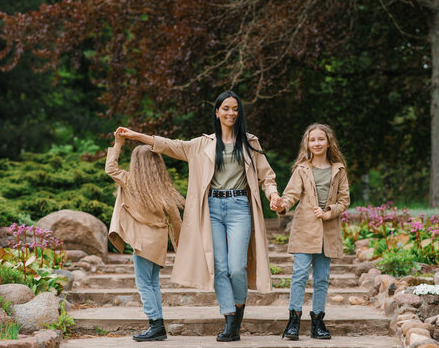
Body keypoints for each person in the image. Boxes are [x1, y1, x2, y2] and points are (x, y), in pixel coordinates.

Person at [115, 90, 282, 342]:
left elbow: (266, 175)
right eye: (225, 108)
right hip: (212, 209)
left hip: (238, 206)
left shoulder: (250, 142)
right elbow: (169, 145)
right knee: (220, 267)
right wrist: (137, 136)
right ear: (217, 112)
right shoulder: (201, 145)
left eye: (235, 109)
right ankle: (229, 321)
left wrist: (273, 194)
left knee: (237, 267)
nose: (231, 113)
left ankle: (237, 312)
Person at [272, 123, 350, 340]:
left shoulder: (339, 169)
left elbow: (345, 200)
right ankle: (293, 321)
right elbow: (291, 195)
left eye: (321, 139)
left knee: (322, 278)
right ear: (307, 143)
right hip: (305, 229)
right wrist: (281, 205)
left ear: (328, 142)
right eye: (312, 139)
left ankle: (318, 322)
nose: (317, 143)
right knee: (299, 275)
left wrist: (329, 212)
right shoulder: (302, 169)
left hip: (328, 231)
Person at [105, 130, 184, 342]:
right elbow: (176, 219)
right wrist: (180, 243)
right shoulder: (163, 189)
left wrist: (118, 143)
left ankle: (155, 324)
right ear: (157, 164)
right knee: (153, 283)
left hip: (141, 242)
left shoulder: (130, 181)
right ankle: (158, 325)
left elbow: (110, 168)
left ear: (135, 164)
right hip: (159, 241)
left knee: (143, 284)